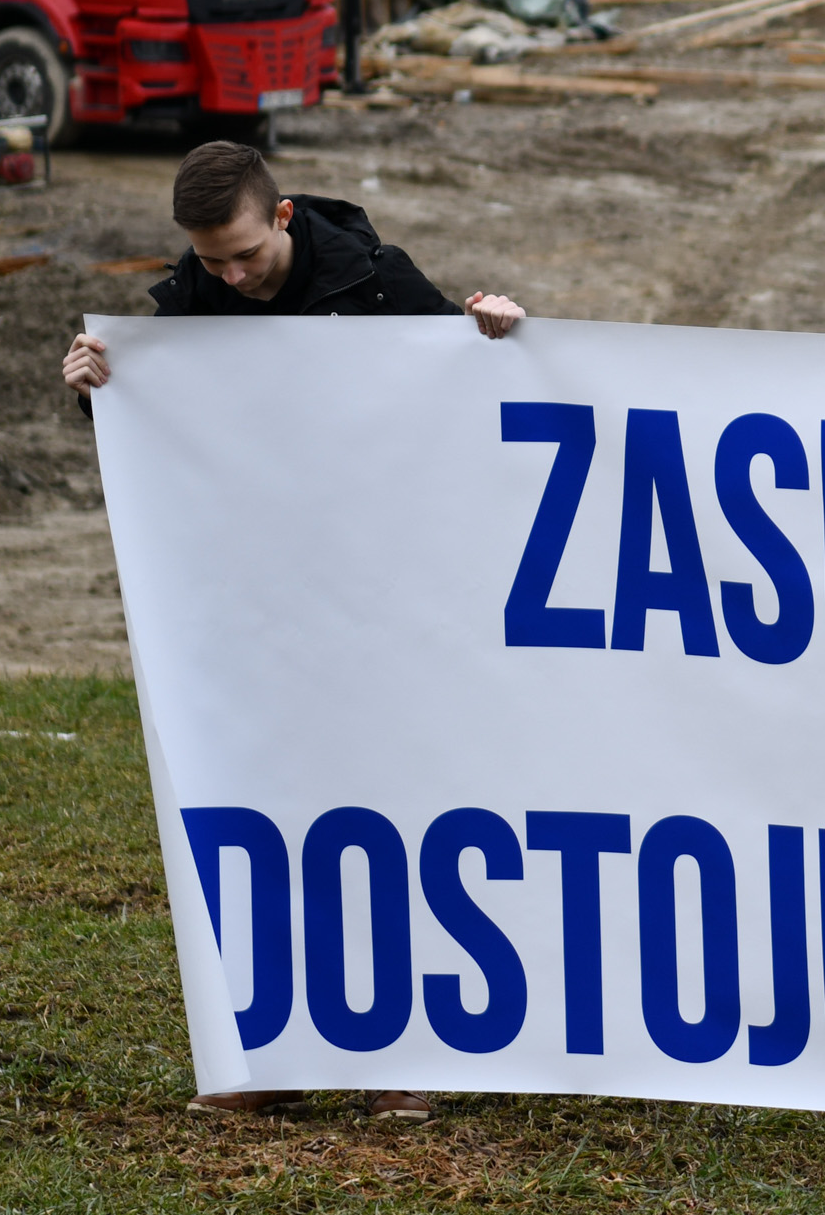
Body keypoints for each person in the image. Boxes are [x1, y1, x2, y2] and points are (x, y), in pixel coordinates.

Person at [64, 137, 526, 1123]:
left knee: (389, 822)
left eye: (241, 255)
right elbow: (151, 436)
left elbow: (470, 402)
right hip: (252, 620)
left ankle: (405, 1055)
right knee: (256, 821)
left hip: (383, 609)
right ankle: (263, 1053)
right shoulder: (184, 307)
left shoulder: (378, 284)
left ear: (281, 218)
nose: (227, 276)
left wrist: (492, 334)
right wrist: (97, 389)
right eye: (209, 260)